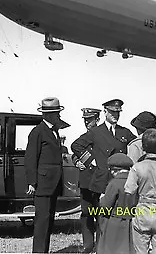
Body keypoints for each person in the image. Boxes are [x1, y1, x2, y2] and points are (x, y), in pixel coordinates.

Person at [71, 99, 136, 248]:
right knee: (97, 215)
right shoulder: (95, 132)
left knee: (111, 217)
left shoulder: (124, 132)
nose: (115, 115)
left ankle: (106, 246)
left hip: (118, 182)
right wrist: (91, 161)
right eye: (112, 112)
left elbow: (136, 145)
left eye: (118, 112)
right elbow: (76, 145)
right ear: (105, 112)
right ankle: (93, 247)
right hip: (100, 181)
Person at [25, 97, 69, 253]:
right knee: (42, 222)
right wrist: (32, 182)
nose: (58, 115)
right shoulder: (37, 132)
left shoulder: (54, 131)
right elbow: (30, 158)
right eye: (56, 113)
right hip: (43, 185)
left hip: (53, 184)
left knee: (48, 220)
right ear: (48, 115)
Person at [71, 108, 102, 253]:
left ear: (97, 119)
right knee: (86, 214)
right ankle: (88, 245)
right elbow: (75, 152)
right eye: (85, 120)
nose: (87, 122)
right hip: (85, 182)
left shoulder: (102, 136)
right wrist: (77, 160)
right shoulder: (83, 137)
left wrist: (89, 160)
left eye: (89, 119)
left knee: (101, 214)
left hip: (99, 181)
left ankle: (101, 245)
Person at [97, 153, 136, 254]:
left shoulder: (114, 183)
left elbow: (106, 206)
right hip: (132, 221)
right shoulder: (136, 181)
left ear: (114, 170)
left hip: (114, 222)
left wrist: (101, 199)